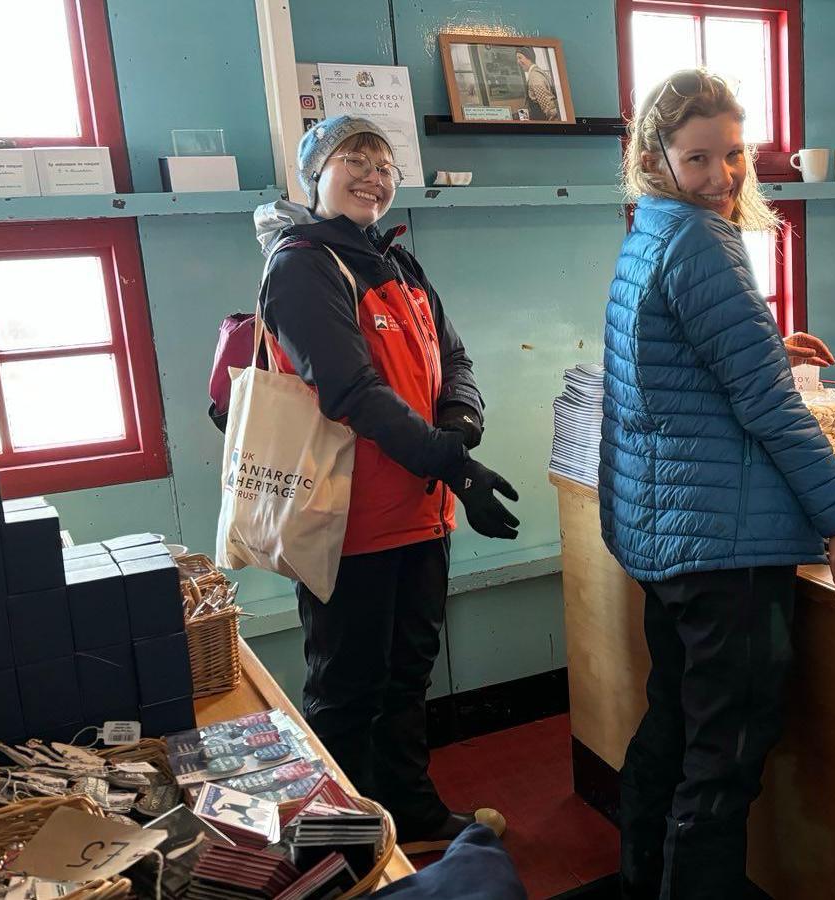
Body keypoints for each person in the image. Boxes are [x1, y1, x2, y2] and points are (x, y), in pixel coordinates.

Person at [601, 69, 835, 899]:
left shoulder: (654, 230)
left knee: (672, 727)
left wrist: (765, 342)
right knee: (721, 761)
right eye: (700, 158)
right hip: (727, 549)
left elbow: (670, 365)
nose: (724, 176)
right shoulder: (698, 239)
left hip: (673, 540)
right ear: (656, 157)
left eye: (735, 154)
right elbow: (767, 406)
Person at [253, 116, 520, 853]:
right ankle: (340, 848)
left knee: (407, 676)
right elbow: (351, 391)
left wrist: (459, 424)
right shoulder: (301, 265)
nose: (373, 174)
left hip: (421, 514)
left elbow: (455, 356)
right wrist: (456, 465)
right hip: (348, 522)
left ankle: (412, 812)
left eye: (383, 162)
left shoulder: (396, 262)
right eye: (353, 160)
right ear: (315, 174)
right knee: (347, 690)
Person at [515, 47, 559, 121]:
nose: (518, 61)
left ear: (529, 57)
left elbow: (550, 110)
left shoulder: (535, 76)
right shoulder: (536, 73)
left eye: (520, 58)